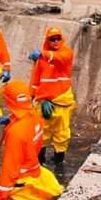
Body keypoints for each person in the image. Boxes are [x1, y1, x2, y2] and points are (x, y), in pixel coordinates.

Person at [29, 27, 75, 175]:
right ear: (47, 40)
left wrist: (42, 54)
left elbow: (60, 58)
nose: (55, 41)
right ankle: (40, 163)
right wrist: (34, 98)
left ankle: (58, 163)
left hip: (62, 102)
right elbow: (35, 81)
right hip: (44, 103)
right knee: (42, 133)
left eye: (58, 39)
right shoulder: (41, 61)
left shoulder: (66, 53)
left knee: (62, 134)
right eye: (52, 39)